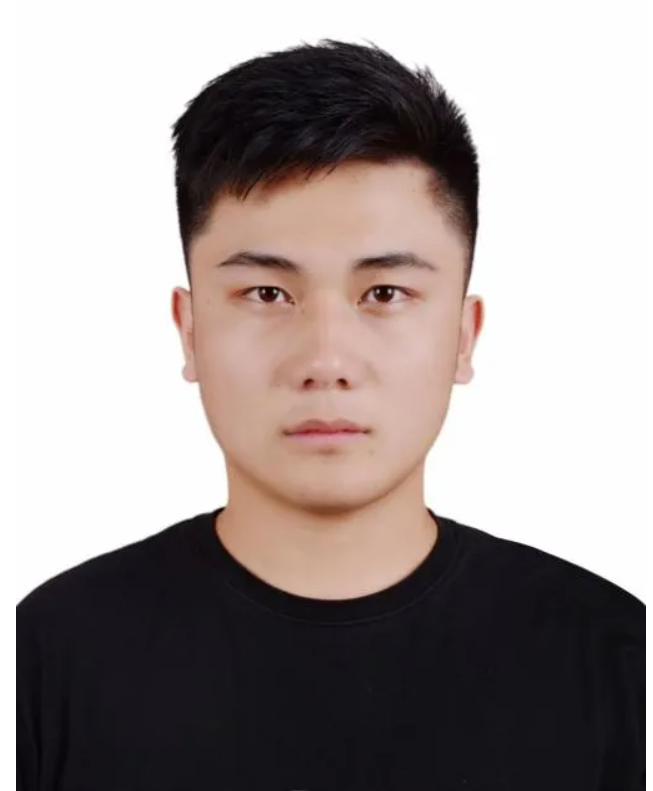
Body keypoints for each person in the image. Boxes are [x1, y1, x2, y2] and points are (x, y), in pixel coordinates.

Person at [16, 39, 644, 790]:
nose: (325, 359)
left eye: (384, 293)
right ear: (189, 330)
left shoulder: (614, 658)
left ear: (463, 335)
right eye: (267, 294)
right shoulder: (46, 656)